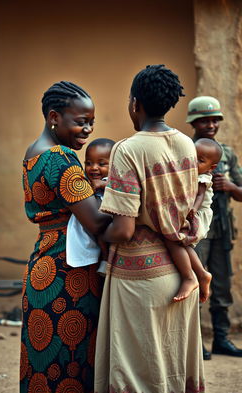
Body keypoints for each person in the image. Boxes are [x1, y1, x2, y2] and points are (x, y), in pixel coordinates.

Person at [94, 65, 211, 393]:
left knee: (136, 374)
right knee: (172, 369)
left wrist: (98, 234)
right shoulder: (188, 144)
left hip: (139, 281)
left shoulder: (127, 149)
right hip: (178, 269)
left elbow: (123, 229)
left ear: (134, 103)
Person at [21, 81, 112, 393]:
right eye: (80, 122)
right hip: (68, 274)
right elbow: (97, 222)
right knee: (70, 368)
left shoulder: (32, 154)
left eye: (91, 123)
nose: (86, 130)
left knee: (43, 369)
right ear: (54, 116)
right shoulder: (60, 157)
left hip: (42, 267)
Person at [186, 95, 242, 360]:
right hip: (197, 229)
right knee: (196, 283)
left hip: (221, 230)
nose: (210, 125)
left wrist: (230, 187)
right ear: (193, 123)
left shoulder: (227, 154)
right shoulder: (185, 149)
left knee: (221, 286)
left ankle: (222, 339)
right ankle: (196, 343)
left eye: (214, 120)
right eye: (203, 120)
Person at [164, 137, 223, 303]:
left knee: (175, 240)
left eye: (200, 161)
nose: (193, 162)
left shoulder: (203, 177)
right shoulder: (190, 173)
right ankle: (202, 274)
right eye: (192, 157)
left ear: (211, 167)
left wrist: (193, 210)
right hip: (191, 214)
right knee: (181, 243)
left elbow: (199, 195)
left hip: (198, 215)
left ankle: (191, 276)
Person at [66, 138, 115, 276]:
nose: (93, 167)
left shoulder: (114, 179)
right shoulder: (86, 181)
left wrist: (102, 185)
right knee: (100, 237)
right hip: (99, 222)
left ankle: (107, 259)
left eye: (101, 163)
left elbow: (122, 187)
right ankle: (105, 258)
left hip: (115, 220)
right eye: (88, 163)